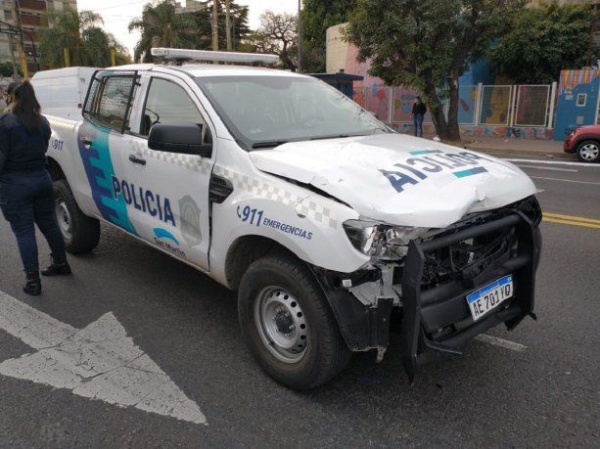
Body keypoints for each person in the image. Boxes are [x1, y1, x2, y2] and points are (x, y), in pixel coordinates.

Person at [0, 80, 72, 296]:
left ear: (12, 97)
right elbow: (43, 147)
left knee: (24, 232)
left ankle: (33, 282)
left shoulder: (5, 122)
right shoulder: (42, 122)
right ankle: (61, 264)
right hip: (42, 180)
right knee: (50, 225)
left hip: (15, 185)